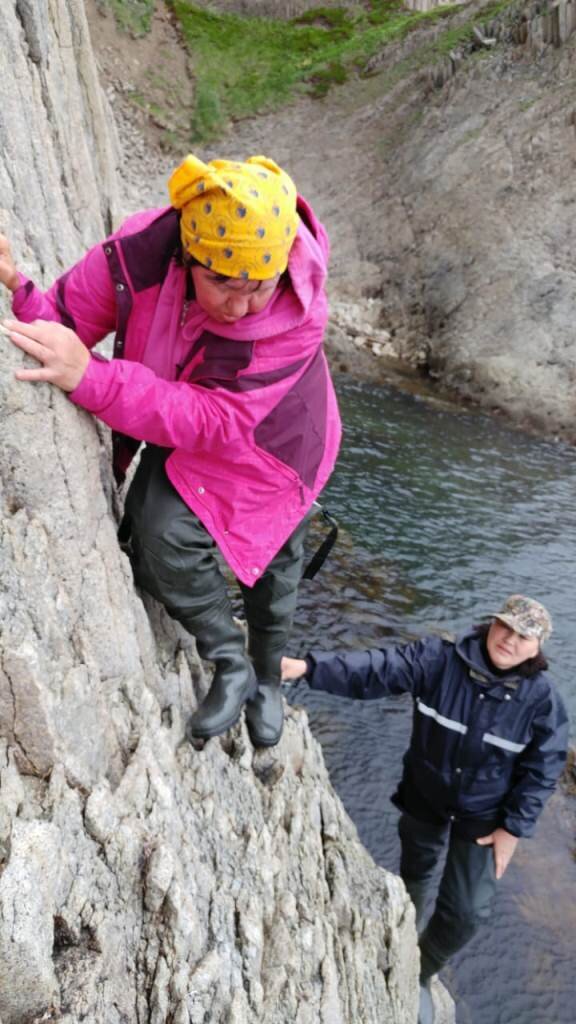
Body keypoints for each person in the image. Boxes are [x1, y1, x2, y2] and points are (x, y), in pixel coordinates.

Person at [0, 153, 342, 748]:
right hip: (189, 406)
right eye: (223, 286)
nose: (241, 307)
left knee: (276, 560)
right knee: (158, 534)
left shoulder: (299, 313)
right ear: (188, 256)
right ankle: (228, 655)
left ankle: (268, 677)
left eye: (257, 288)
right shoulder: (142, 254)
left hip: (282, 446)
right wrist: (19, 288)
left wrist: (93, 378)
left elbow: (215, 419)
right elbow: (67, 322)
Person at [281, 595, 568, 1023]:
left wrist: (513, 828)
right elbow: (377, 670)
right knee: (416, 866)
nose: (509, 639)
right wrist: (307, 668)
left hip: (484, 815)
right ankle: (405, 925)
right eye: (504, 626)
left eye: (523, 636)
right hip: (425, 792)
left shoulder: (542, 701)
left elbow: (544, 767)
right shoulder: (439, 660)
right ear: (491, 623)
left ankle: (420, 968)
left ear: (537, 646)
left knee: (468, 910)